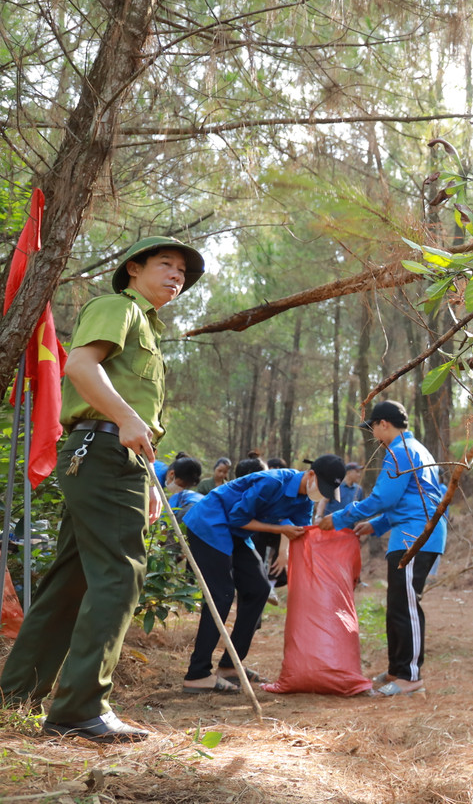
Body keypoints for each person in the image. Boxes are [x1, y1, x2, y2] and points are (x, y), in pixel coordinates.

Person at [0, 236, 204, 742]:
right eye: (166, 265)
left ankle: (14, 695)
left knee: (71, 580)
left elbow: (133, 414)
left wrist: (146, 473)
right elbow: (80, 367)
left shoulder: (150, 332)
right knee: (120, 573)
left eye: (183, 272)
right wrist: (127, 422)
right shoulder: (117, 308)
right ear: (133, 268)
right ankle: (79, 709)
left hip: (114, 456)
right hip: (103, 450)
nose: (176, 277)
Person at [181, 455, 346, 692]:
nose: (324, 494)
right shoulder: (273, 482)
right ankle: (197, 673)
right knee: (222, 595)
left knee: (259, 590)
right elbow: (238, 517)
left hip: (237, 534)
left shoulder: (305, 500)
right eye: (324, 487)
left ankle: (230, 665)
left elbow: (301, 534)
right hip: (210, 523)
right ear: (310, 475)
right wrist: (280, 529)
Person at [318, 401, 447, 697]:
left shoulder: (400, 452)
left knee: (407, 605)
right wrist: (376, 526)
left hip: (415, 536)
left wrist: (338, 518)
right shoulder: (416, 449)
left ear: (384, 424)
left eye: (373, 427)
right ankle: (397, 669)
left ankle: (410, 677)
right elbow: (407, 499)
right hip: (410, 532)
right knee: (398, 604)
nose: (374, 434)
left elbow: (382, 498)